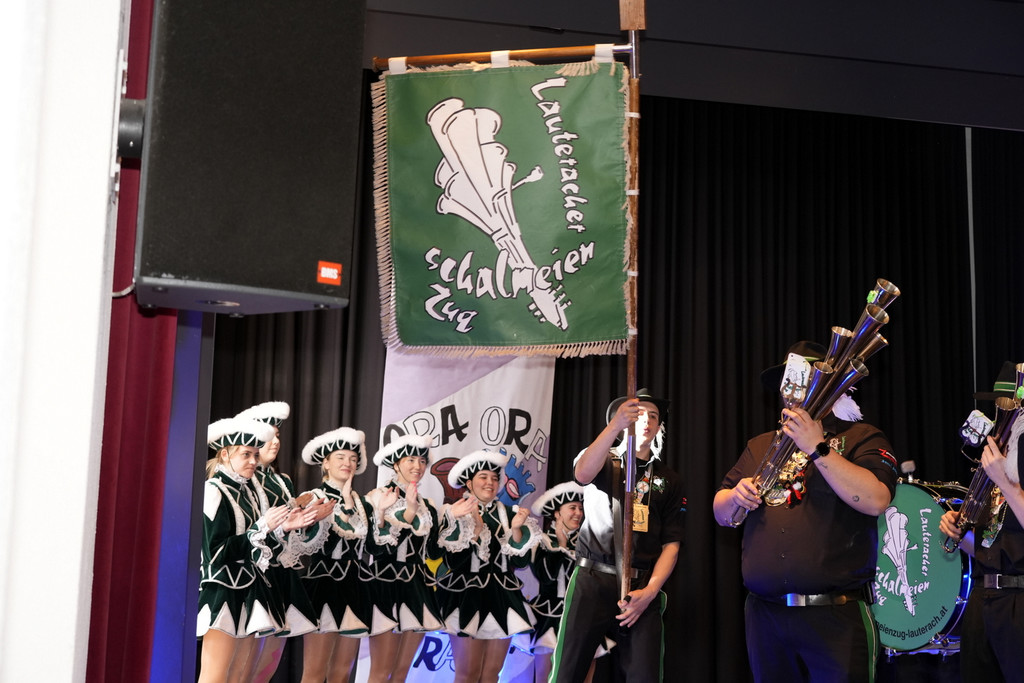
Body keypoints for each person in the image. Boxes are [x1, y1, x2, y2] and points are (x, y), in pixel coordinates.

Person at [713, 341, 899, 683]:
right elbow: (720, 510)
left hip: (835, 614)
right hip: (766, 614)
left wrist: (816, 447)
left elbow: (876, 500)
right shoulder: (760, 444)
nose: (794, 390)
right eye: (790, 381)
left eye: (804, 379)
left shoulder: (862, 436)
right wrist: (735, 496)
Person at [550, 388, 685, 683]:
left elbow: (672, 545)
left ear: (660, 427)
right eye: (639, 414)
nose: (647, 420)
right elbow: (582, 474)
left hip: (640, 587)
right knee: (568, 673)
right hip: (593, 579)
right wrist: (614, 426)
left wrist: (650, 592)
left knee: (645, 675)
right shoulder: (604, 458)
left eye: (654, 416)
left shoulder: (669, 479)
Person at [197, 417, 318, 683]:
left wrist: (283, 527)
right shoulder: (213, 490)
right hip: (222, 594)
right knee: (215, 677)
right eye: (246, 455)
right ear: (225, 454)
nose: (253, 461)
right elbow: (216, 553)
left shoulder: (248, 492)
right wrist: (260, 528)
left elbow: (257, 548)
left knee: (240, 677)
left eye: (255, 454)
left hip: (250, 592)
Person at [939, 360, 1024, 683]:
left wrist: (1005, 481)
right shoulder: (994, 459)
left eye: (1010, 408)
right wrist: (960, 534)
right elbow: (989, 545)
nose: (1002, 416)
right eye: (999, 408)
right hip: (984, 597)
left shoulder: (1002, 467)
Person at [234, 401, 328, 683]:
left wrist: (310, 517)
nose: (275, 442)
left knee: (266, 669)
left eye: (277, 436)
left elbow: (292, 539)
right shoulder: (240, 480)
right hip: (248, 579)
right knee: (240, 670)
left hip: (279, 577)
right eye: (268, 436)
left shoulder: (282, 481)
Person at [436, 449, 541, 683]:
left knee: (491, 674)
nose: (490, 483)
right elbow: (453, 562)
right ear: (469, 483)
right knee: (467, 674)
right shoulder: (456, 512)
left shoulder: (509, 513)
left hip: (502, 597)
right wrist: (475, 528)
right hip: (466, 595)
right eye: (483, 477)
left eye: (494, 478)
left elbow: (520, 562)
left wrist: (516, 529)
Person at [298, 426, 380, 683]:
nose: (348, 463)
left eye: (353, 458)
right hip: (323, 584)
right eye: (341, 457)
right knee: (314, 674)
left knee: (342, 674)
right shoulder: (312, 497)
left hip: (355, 586)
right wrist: (343, 509)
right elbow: (305, 544)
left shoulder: (364, 503)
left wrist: (380, 515)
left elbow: (373, 548)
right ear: (325, 463)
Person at [364, 434, 446, 683]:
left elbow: (433, 553)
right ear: (396, 464)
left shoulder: (428, 505)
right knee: (381, 672)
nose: (417, 466)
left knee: (400, 674)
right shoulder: (377, 497)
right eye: (410, 460)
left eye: (422, 461)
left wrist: (453, 524)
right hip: (385, 584)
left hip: (418, 588)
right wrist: (408, 512)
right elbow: (376, 548)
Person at [513, 480, 592, 683]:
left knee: (584, 676)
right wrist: (561, 546)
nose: (578, 513)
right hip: (549, 615)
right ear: (557, 513)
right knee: (545, 677)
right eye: (572, 508)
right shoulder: (542, 541)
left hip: (581, 614)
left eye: (580, 508)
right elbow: (546, 577)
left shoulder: (588, 542)